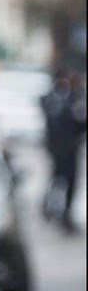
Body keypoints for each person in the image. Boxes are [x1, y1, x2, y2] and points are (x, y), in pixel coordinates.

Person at [40, 67, 86, 232]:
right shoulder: (63, 99)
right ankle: (52, 209)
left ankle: (59, 212)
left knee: (62, 181)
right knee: (61, 180)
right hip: (63, 148)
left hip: (65, 148)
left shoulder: (71, 99)